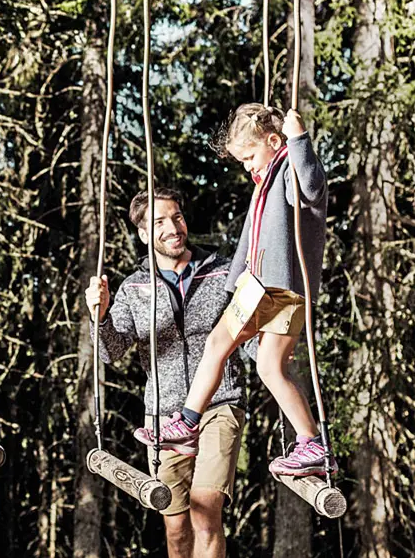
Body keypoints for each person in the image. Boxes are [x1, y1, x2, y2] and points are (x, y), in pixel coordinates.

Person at [138, 104, 337, 477]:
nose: (246, 166)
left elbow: (312, 188)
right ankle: (313, 444)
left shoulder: (291, 168)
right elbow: (254, 234)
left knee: (217, 344)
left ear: (273, 142)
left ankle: (186, 424)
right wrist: (236, 278)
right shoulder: (270, 178)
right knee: (269, 366)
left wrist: (299, 139)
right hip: (285, 289)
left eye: (249, 156)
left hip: (270, 286)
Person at [86, 188, 245, 558]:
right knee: (176, 529)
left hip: (221, 404)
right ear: (143, 234)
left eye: (177, 217)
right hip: (163, 414)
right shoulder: (133, 288)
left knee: (205, 511)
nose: (173, 227)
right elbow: (111, 350)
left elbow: (248, 336)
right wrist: (102, 316)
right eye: (159, 221)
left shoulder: (223, 271)